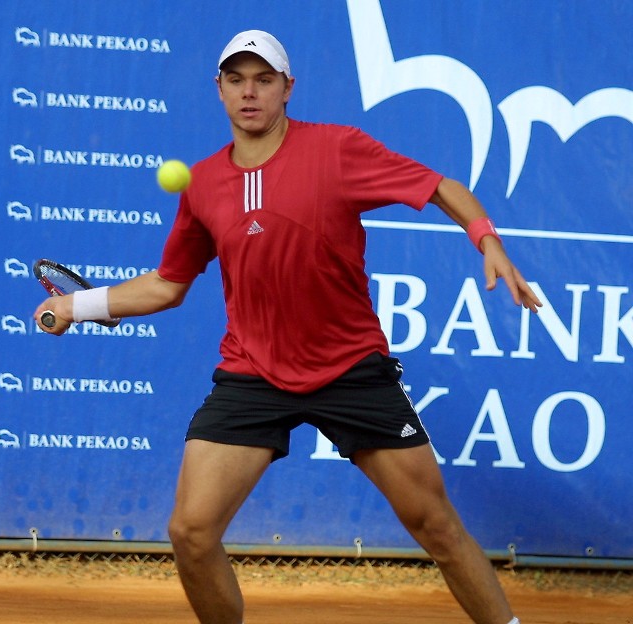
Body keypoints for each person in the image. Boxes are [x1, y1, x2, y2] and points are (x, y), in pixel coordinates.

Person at [35, 29, 541, 624]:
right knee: (192, 531)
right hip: (253, 373)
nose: (249, 93)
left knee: (436, 526)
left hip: (350, 367)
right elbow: (167, 286)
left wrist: (488, 240)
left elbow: (439, 187)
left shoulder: (337, 149)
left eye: (264, 80)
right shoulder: (199, 186)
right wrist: (77, 306)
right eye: (236, 79)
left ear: (287, 89)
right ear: (219, 90)